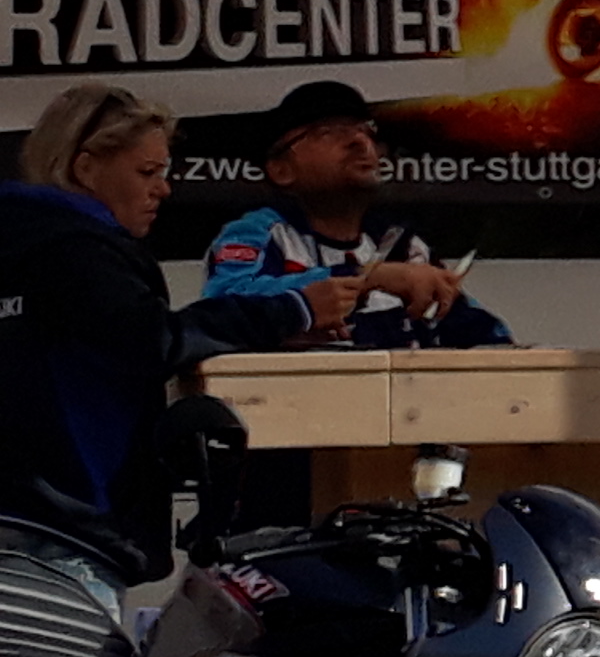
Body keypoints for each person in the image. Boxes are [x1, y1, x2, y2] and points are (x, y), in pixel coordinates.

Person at [0, 82, 326, 571]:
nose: (164, 189)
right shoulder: (74, 253)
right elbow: (153, 340)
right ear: (85, 168)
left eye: (164, 172)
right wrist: (292, 309)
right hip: (68, 531)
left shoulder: (22, 239)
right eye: (146, 172)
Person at [202, 80, 509, 349]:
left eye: (365, 131)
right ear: (281, 170)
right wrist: (368, 279)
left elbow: (489, 341)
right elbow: (221, 311)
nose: (359, 142)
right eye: (329, 132)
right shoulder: (259, 234)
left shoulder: (403, 246)